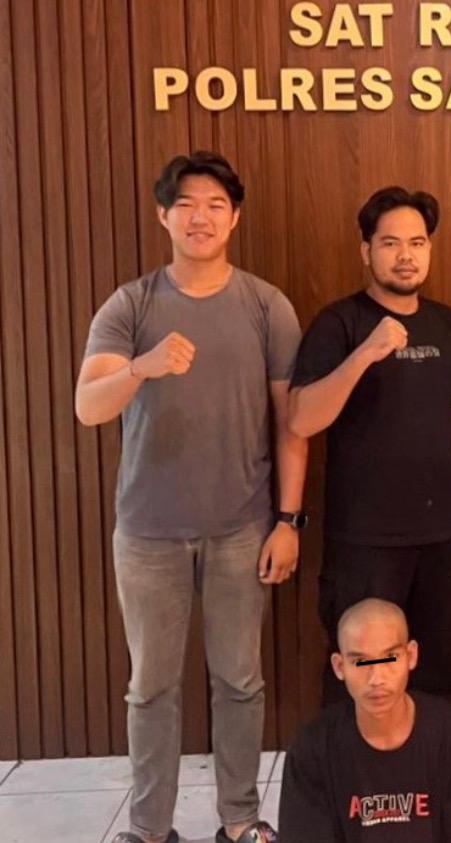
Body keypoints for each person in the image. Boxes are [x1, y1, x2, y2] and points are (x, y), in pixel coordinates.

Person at [76, 151, 306, 843]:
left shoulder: (266, 305)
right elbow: (88, 406)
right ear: (163, 215)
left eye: (214, 205)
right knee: (150, 687)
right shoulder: (131, 303)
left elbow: (291, 422)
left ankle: (239, 819)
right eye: (185, 204)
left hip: (241, 526)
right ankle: (149, 828)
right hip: (148, 532)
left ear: (234, 217)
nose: (199, 217)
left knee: (240, 680)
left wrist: (289, 519)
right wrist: (142, 367)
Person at [288, 186, 451, 705]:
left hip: (442, 534)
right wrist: (365, 354)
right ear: (366, 251)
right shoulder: (339, 323)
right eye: (390, 243)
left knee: (436, 669)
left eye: (417, 243)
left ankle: (427, 757)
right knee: (361, 677)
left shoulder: (447, 324)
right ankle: (352, 760)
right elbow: (302, 419)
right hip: (364, 540)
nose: (406, 255)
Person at [280, 598, 451, 842]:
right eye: (360, 662)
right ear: (339, 667)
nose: (377, 678)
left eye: (390, 658)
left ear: (411, 656)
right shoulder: (311, 749)